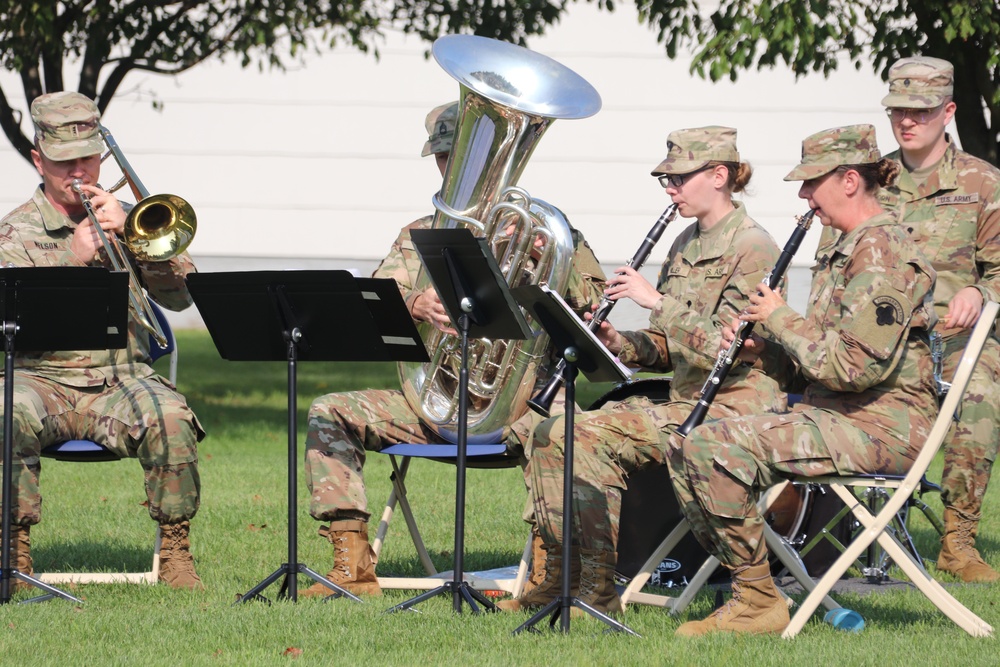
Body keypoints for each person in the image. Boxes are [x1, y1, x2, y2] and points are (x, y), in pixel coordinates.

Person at [301, 102, 606, 597]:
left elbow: (594, 309)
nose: (456, 169)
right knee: (330, 411)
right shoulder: (418, 235)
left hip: (521, 404)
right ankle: (351, 568)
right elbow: (372, 305)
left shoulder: (547, 232)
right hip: (431, 403)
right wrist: (415, 302)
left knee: (565, 431)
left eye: (468, 158)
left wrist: (548, 264)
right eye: (448, 157)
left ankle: (549, 575)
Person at [498, 126, 785, 615]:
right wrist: (619, 344)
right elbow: (671, 349)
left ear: (719, 176)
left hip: (734, 411)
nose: (669, 190)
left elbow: (731, 348)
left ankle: (597, 586)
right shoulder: (685, 242)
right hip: (683, 403)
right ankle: (566, 575)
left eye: (677, 179)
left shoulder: (754, 246)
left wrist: (654, 300)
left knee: (579, 438)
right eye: (665, 181)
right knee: (551, 431)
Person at [669, 124, 937, 636]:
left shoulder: (882, 254)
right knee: (687, 443)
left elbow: (853, 369)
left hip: (880, 427)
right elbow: (821, 357)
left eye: (813, 183)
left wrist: (777, 318)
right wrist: (762, 345)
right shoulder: (846, 246)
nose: (803, 195)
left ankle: (756, 601)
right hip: (834, 414)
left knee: (712, 448)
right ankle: (754, 592)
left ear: (850, 181)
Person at [0, 91, 205, 591]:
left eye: (88, 158)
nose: (78, 171)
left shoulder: (131, 217)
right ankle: (14, 553)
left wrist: (141, 246)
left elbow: (181, 299)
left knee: (171, 416)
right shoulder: (13, 232)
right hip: (39, 379)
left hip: (122, 379)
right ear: (37, 160)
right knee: (4, 411)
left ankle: (175, 553)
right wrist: (70, 258)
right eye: (63, 161)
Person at [878, 56, 1000, 583]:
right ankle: (848, 537)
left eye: (921, 111)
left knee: (981, 399)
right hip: (882, 340)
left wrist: (979, 289)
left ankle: (957, 543)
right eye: (898, 110)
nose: (907, 121)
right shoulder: (869, 180)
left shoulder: (982, 181)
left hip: (957, 341)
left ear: (948, 111)